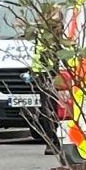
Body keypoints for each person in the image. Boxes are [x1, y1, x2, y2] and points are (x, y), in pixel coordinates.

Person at [31, 12, 65, 156]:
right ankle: (50, 141)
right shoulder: (41, 34)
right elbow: (37, 54)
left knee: (51, 109)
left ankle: (55, 141)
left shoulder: (58, 34)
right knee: (45, 110)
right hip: (41, 74)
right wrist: (33, 71)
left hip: (53, 74)